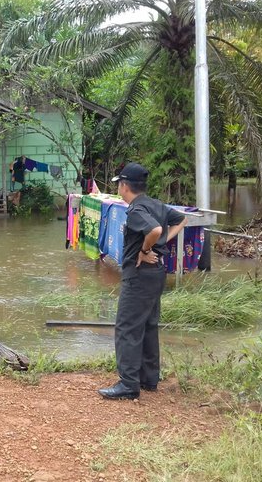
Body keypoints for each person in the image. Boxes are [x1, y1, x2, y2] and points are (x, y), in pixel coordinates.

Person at [98, 162, 187, 400]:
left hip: (139, 276)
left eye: (119, 185)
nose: (119, 189)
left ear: (125, 186)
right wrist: (161, 243)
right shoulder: (156, 204)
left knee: (127, 328)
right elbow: (181, 219)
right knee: (148, 325)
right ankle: (149, 379)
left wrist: (146, 249)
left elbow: (155, 230)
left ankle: (128, 384)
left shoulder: (137, 210)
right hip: (157, 274)